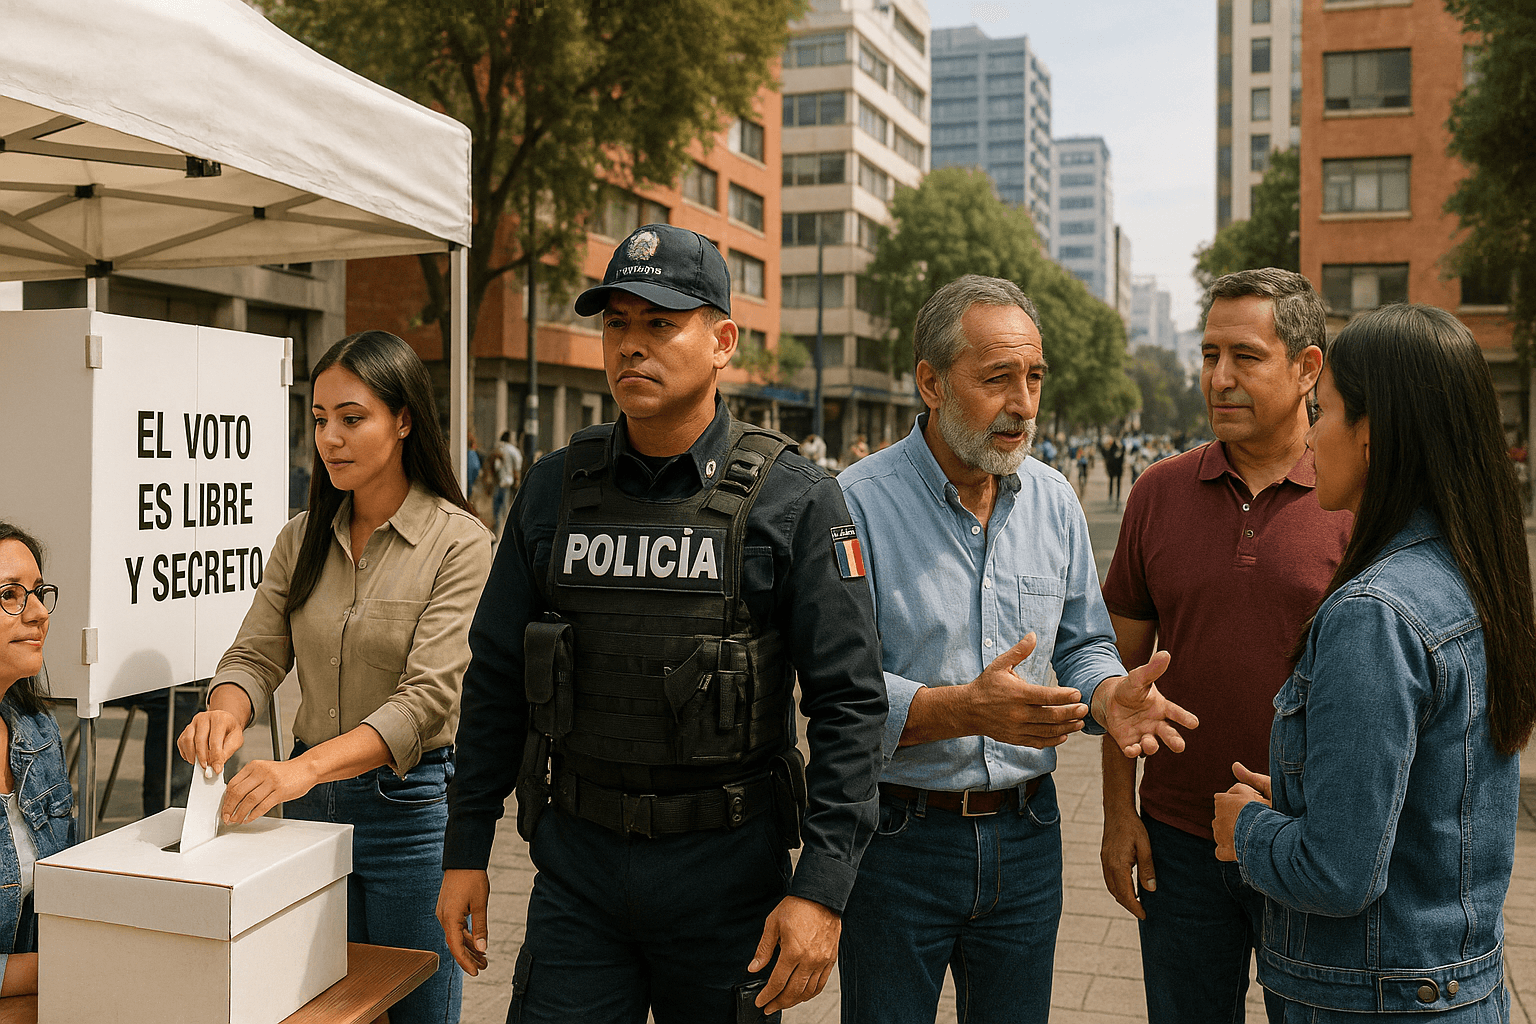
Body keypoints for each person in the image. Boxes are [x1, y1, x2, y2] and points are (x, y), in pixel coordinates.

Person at [438, 224, 887, 1022]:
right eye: (616, 323)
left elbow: (850, 705)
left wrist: (822, 889)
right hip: (577, 872)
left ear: (722, 341)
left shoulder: (796, 499)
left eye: (658, 323)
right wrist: (465, 845)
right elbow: (497, 676)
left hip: (727, 880)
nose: (630, 346)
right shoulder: (551, 491)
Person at [835, 275, 1197, 1024]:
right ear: (930, 383)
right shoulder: (853, 503)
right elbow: (839, 694)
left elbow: (1085, 643)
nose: (1024, 403)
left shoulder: (1055, 500)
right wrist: (965, 709)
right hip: (898, 842)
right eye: (997, 378)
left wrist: (1106, 693)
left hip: (1029, 837)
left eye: (1033, 377)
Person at [1212, 303, 1536, 1020]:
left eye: (1324, 412)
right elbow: (1432, 803)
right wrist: (1303, 796)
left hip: (1373, 997)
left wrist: (1248, 830)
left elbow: (1337, 875)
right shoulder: (1475, 577)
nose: (1312, 438)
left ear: (1375, 433)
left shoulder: (1376, 612)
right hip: (1459, 986)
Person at [177, 330, 492, 1024]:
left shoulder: (459, 542)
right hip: (307, 810)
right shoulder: (300, 537)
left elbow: (426, 700)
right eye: (319, 420)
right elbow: (256, 656)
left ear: (404, 418)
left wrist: (302, 770)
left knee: (418, 1008)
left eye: (353, 418)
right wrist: (225, 713)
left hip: (412, 813)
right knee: (315, 1008)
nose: (331, 439)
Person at [1099, 269, 1352, 1022]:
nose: (1219, 377)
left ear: (1307, 367)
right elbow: (1121, 678)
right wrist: (1120, 815)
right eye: (1209, 355)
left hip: (1306, 843)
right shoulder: (1158, 492)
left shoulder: (1356, 496)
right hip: (1177, 842)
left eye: (1245, 356)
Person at [0, 523, 74, 998]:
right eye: (10, 594)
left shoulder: (37, 732)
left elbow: (67, 892)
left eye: (39, 591)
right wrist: (68, 966)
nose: (41, 613)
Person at [493, 429, 523, 531]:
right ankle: (504, 530)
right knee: (506, 509)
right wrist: (517, 481)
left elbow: (496, 466)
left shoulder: (498, 448)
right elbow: (517, 467)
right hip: (508, 482)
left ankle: (497, 530)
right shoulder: (513, 450)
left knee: (497, 510)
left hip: (498, 482)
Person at [1102, 435, 1125, 505]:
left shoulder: (1118, 447)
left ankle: (1115, 497)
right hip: (1114, 468)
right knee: (1114, 482)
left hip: (1116, 468)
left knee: (1115, 482)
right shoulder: (1113, 448)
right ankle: (1113, 496)